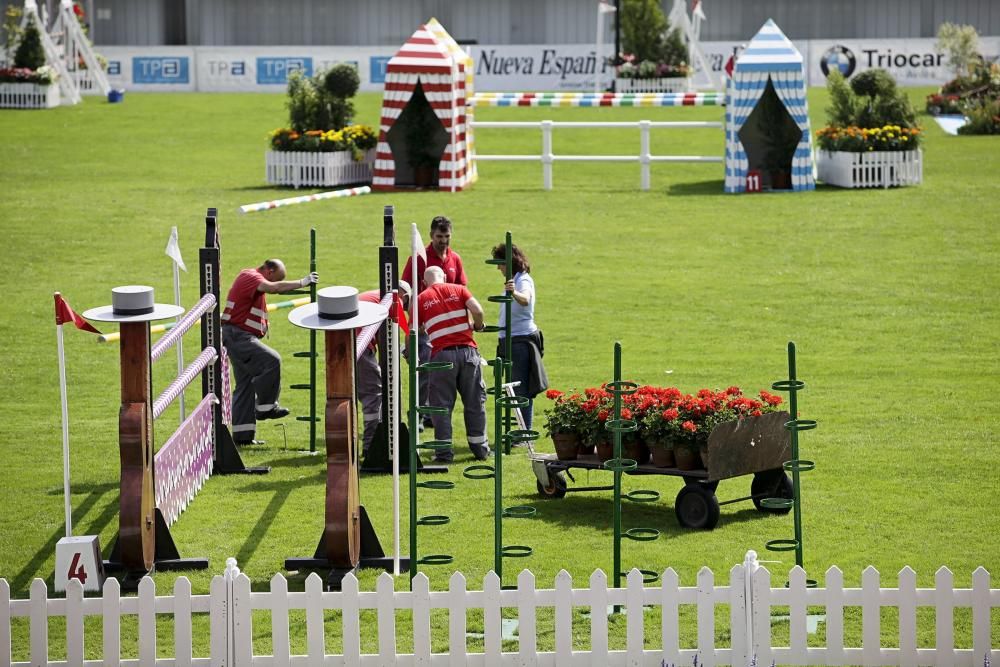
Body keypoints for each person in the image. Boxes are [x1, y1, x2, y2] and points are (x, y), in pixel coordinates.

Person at [222, 259, 318, 445]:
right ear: (269, 270)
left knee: (245, 384)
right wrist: (302, 282)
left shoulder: (253, 280)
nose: (274, 282)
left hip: (236, 335)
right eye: (277, 277)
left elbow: (274, 288)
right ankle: (266, 408)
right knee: (272, 361)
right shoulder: (250, 276)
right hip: (238, 336)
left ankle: (243, 437)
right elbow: (273, 288)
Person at [416, 266, 489, 463]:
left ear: (424, 282)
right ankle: (480, 449)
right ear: (445, 277)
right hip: (468, 353)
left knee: (441, 407)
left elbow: (415, 330)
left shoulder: (421, 299)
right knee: (475, 402)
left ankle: (443, 453)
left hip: (441, 357)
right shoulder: (459, 289)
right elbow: (478, 310)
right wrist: (478, 326)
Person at [401, 216, 467, 428]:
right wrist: (414, 317)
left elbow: (462, 291)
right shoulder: (419, 258)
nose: (443, 241)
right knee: (424, 372)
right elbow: (404, 291)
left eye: (447, 236)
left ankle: (431, 415)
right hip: (423, 325)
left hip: (447, 328)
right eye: (439, 236)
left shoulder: (455, 259)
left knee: (442, 373)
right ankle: (417, 416)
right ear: (431, 236)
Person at [492, 244, 548, 431]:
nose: (498, 268)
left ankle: (523, 432)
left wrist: (513, 292)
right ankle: (521, 431)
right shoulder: (516, 279)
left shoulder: (523, 280)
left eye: (500, 263)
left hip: (520, 340)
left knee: (521, 389)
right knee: (514, 388)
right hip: (511, 340)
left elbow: (525, 299)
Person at [356, 281, 410, 454]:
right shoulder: (394, 299)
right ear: (405, 296)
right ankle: (370, 447)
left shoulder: (375, 296)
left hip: (344, 343)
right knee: (373, 396)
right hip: (361, 347)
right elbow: (384, 337)